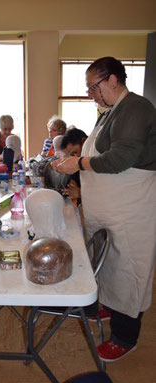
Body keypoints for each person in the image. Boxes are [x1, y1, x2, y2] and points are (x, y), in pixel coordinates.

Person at [51, 56, 156, 362]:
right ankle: (108, 306)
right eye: (88, 88)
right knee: (108, 264)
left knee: (128, 270)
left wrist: (78, 163)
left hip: (131, 209)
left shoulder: (137, 108)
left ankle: (126, 338)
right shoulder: (109, 113)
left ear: (113, 79)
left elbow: (120, 159)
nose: (90, 93)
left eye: (93, 86)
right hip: (112, 208)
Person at [60, 128, 88, 202]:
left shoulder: (98, 161)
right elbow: (74, 179)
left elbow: (105, 192)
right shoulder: (79, 163)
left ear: (84, 141)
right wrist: (72, 182)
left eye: (75, 152)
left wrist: (80, 192)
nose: (75, 157)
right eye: (72, 155)